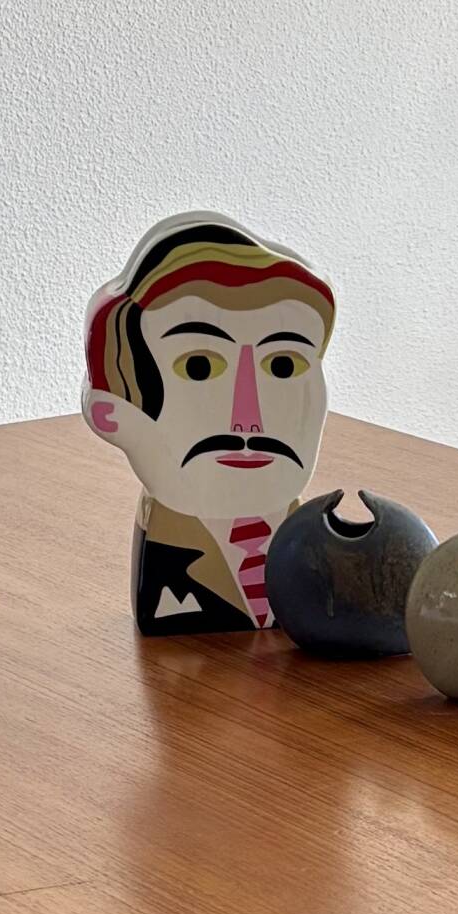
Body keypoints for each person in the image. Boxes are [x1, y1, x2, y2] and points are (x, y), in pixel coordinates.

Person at [80, 214, 335, 632]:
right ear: (112, 411)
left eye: (283, 365)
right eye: (198, 367)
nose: (247, 420)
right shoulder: (168, 571)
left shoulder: (316, 564)